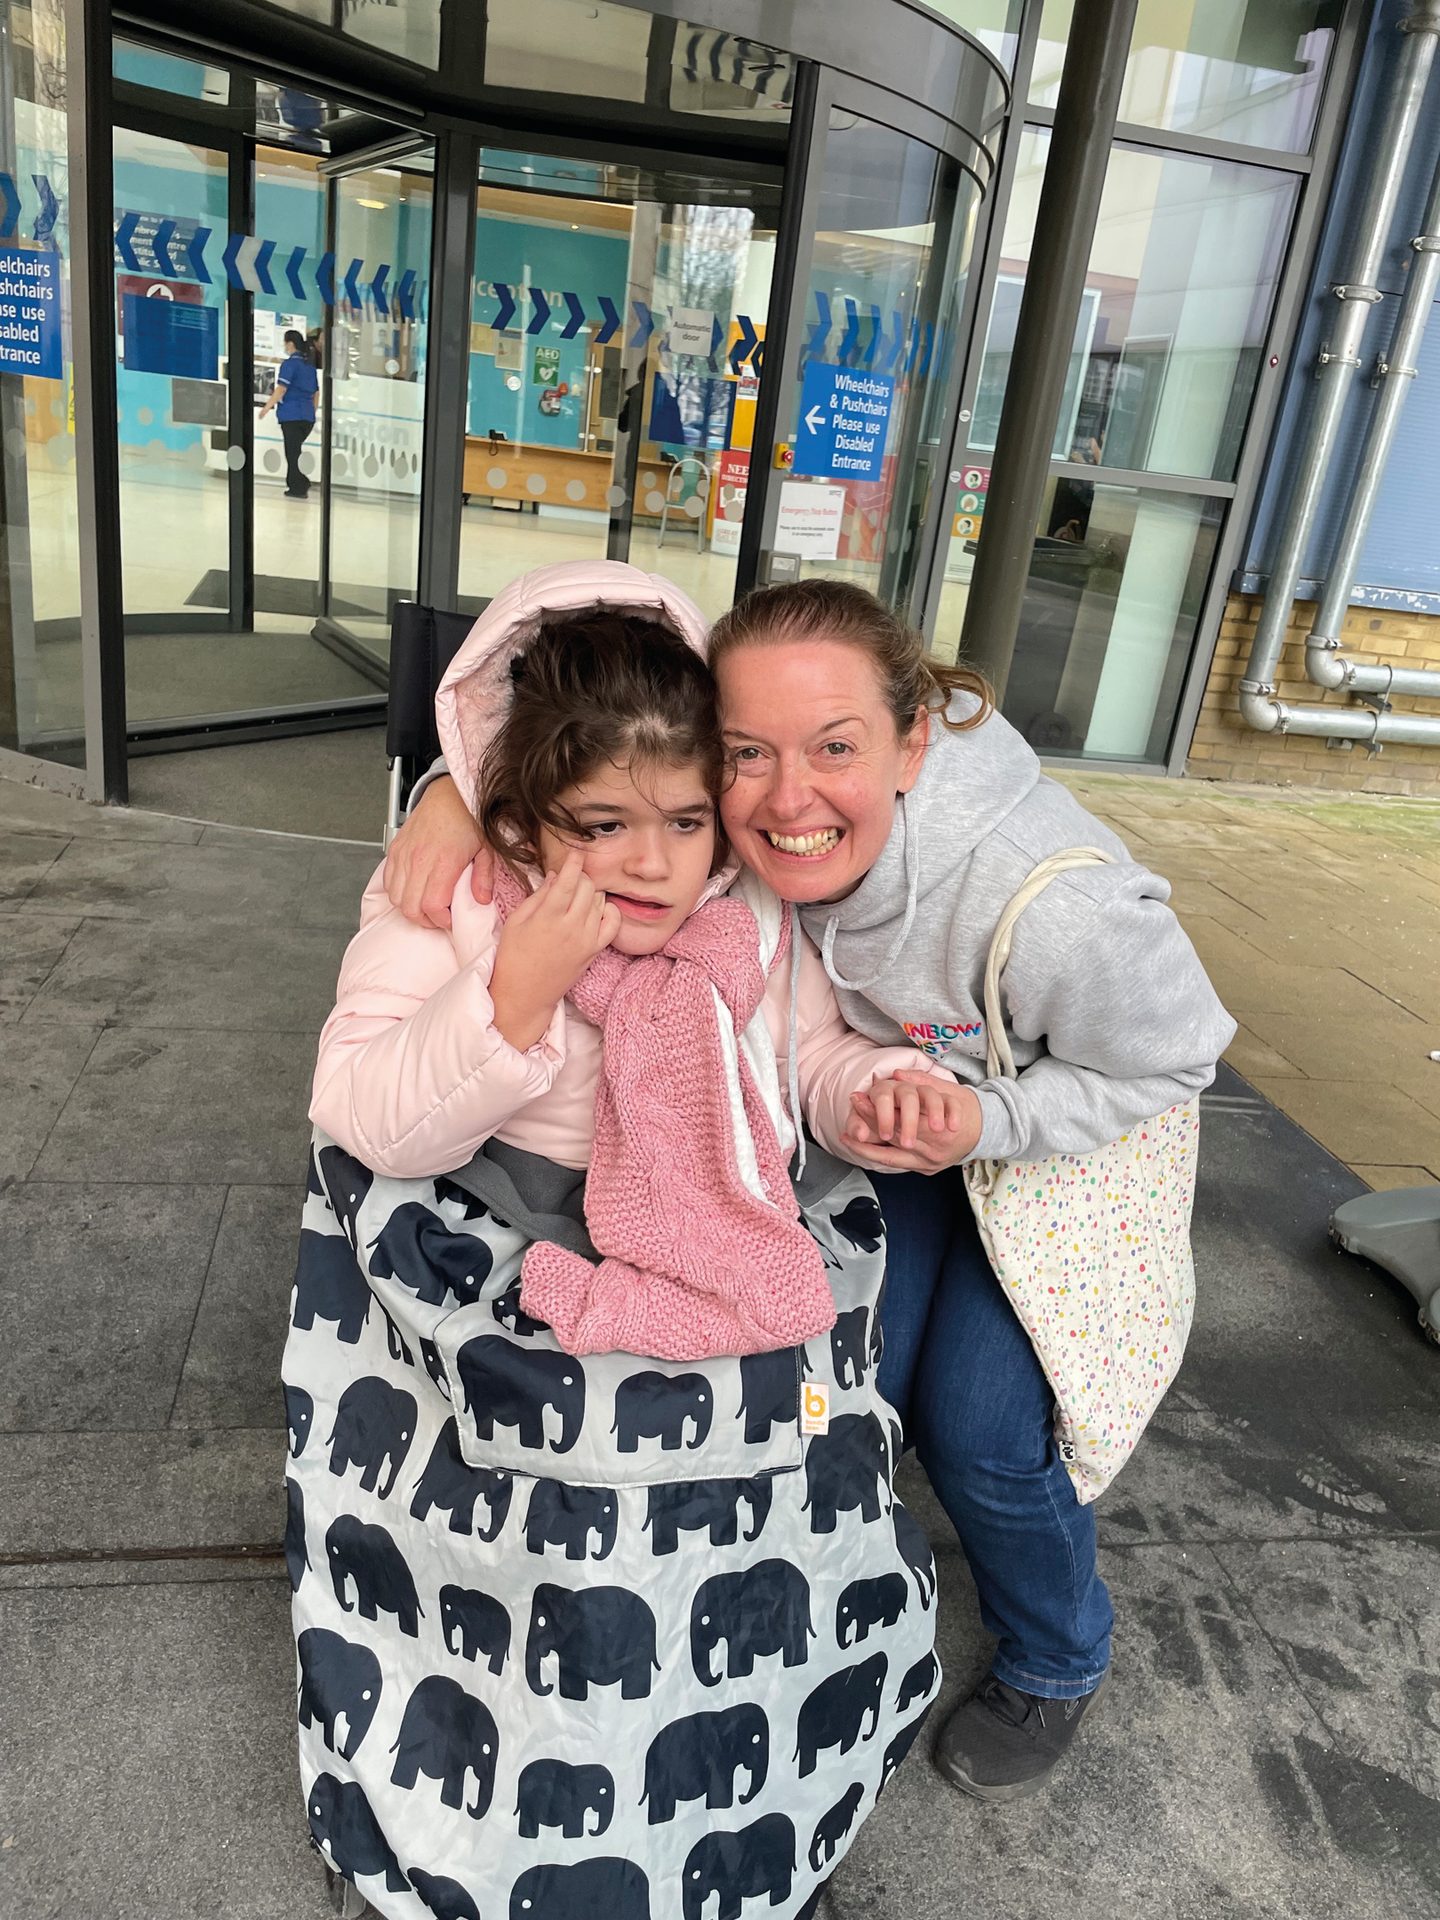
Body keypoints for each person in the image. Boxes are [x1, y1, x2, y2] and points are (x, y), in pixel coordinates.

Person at [389, 575, 1236, 1805]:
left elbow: (1180, 1053)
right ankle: (827, 1601)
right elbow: (585, 772)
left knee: (983, 1436)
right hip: (894, 1114)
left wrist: (993, 1117)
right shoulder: (730, 820)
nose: (786, 800)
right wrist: (450, 799)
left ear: (913, 738)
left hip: (1054, 1147)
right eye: (747, 755)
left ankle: (1061, 1654)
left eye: (834, 746)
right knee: (847, 1395)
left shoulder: (1064, 916)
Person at [284, 561, 950, 1920]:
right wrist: (506, 996)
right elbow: (359, 1108)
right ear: (520, 820)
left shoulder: (748, 917)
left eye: (688, 820)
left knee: (747, 1525)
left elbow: (802, 1056)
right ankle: (488, 1780)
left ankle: (739, 1779)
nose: (654, 864)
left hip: (720, 1259)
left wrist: (860, 1095)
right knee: (557, 1544)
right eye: (603, 825)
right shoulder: (461, 902)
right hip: (519, 1266)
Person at [259, 328, 319, 498]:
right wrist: (312, 412)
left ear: (290, 344)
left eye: (285, 343)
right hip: (307, 417)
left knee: (292, 453)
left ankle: (299, 486)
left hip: (291, 416)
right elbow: (316, 393)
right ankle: (299, 482)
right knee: (295, 451)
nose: (284, 346)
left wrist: (267, 407)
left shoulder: (289, 365)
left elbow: (281, 389)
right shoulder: (310, 367)